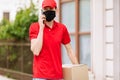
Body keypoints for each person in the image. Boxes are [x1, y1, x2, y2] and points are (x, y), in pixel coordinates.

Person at [29, 0, 79, 80]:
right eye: (46, 9)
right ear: (42, 11)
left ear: (56, 10)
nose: (48, 11)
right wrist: (41, 28)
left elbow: (70, 50)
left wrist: (78, 69)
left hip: (57, 76)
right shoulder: (35, 27)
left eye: (50, 8)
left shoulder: (62, 28)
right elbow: (36, 51)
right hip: (41, 76)